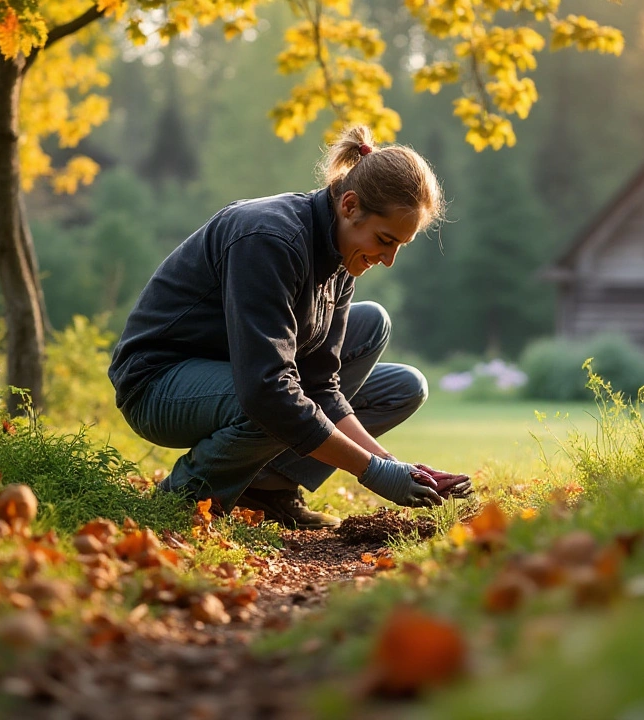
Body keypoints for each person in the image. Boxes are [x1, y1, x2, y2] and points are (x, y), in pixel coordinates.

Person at [109, 126, 472, 530]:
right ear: (350, 206)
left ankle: (266, 489)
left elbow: (320, 386)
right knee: (273, 401)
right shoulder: (269, 238)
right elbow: (267, 390)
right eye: (384, 240)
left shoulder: (342, 254)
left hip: (239, 376)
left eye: (399, 247)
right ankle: (185, 501)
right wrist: (370, 472)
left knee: (397, 375)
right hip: (158, 384)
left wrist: (393, 466)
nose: (387, 259)